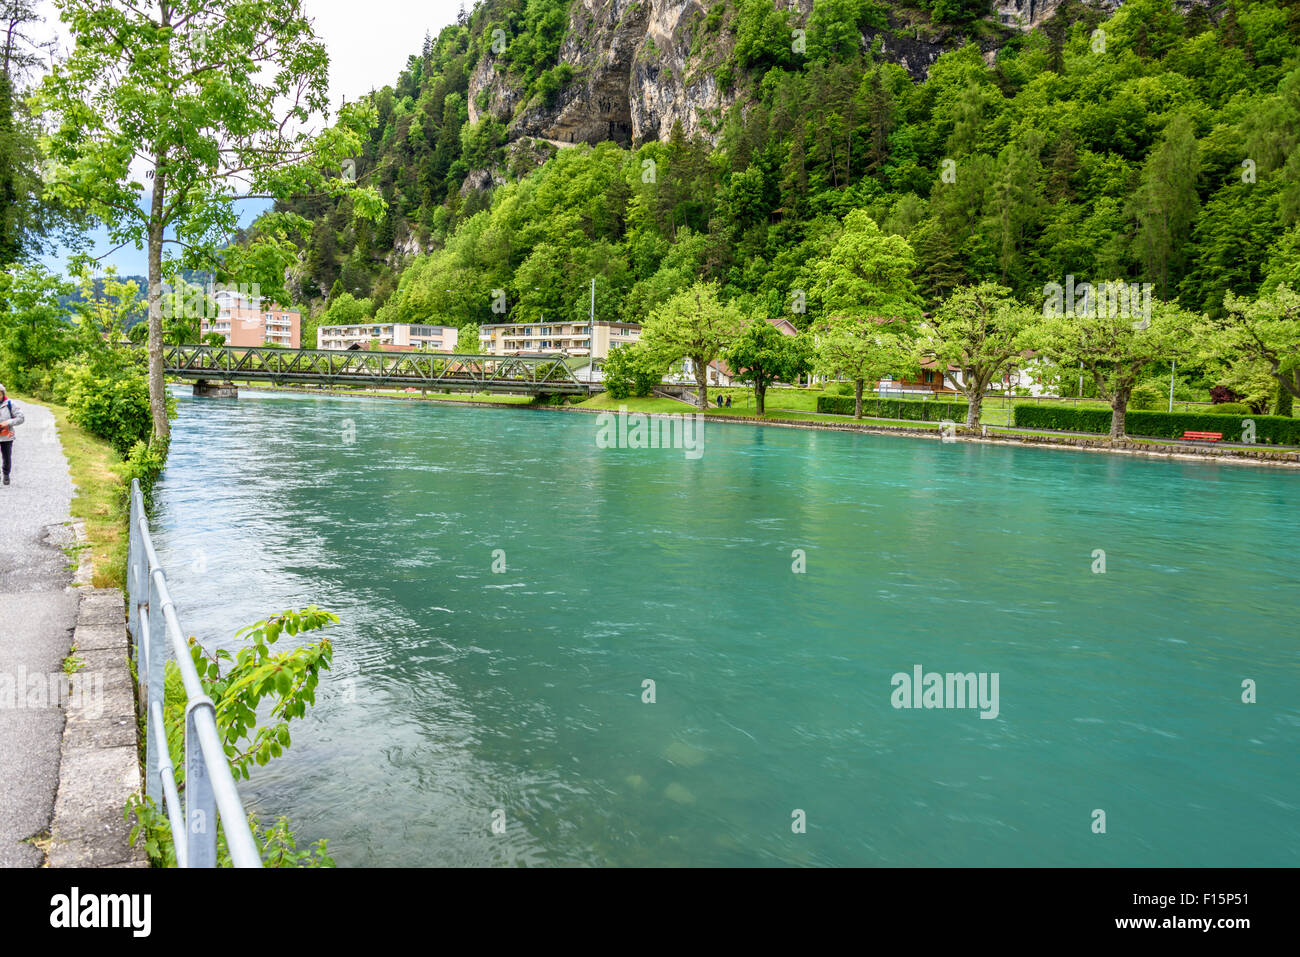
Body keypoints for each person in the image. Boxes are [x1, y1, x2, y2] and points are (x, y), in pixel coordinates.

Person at [0, 384, 24, 486]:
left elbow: (21, 418)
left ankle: (6, 474)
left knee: (6, 457)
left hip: (7, 436)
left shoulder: (10, 404)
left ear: (3, 394)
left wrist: (8, 422)